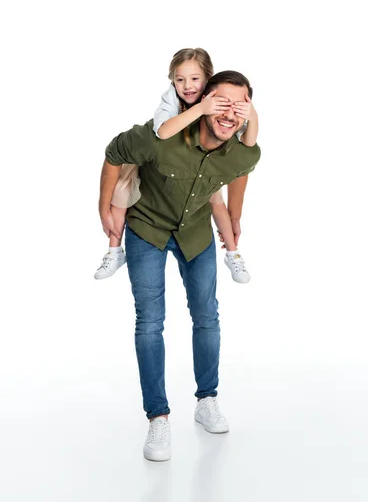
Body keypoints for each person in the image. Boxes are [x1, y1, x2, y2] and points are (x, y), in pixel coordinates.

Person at [98, 70, 261, 461]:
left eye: (239, 105)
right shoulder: (162, 137)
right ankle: (158, 416)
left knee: (207, 315)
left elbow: (240, 174)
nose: (229, 113)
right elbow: (114, 152)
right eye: (221, 102)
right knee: (150, 320)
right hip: (147, 229)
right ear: (203, 100)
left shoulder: (242, 150)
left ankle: (207, 399)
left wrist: (234, 221)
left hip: (194, 234)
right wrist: (102, 207)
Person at [94, 48, 259, 283]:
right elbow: (162, 133)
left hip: (198, 176)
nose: (187, 86)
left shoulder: (221, 106)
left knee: (216, 201)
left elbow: (246, 151)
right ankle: (114, 250)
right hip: (146, 168)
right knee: (121, 194)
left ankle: (233, 254)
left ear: (208, 80)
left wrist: (253, 116)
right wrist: (201, 109)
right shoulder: (173, 100)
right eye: (180, 80)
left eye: (195, 79)